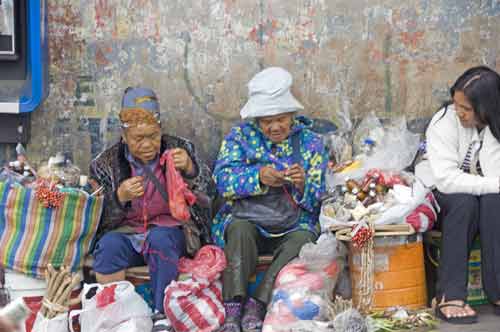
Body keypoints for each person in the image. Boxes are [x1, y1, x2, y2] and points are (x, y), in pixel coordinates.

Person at [213, 67, 327, 332]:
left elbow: (319, 196)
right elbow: (221, 180)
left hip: (293, 221)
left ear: (292, 116)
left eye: (281, 119)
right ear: (256, 119)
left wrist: (301, 184)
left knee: (303, 239)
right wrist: (258, 177)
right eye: (266, 121)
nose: (275, 127)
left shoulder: (311, 143)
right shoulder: (240, 137)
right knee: (239, 231)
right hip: (248, 216)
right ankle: (233, 306)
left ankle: (259, 303)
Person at [89, 87, 213, 331]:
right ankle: (113, 317)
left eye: (153, 136)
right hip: (128, 234)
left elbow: (210, 195)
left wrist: (190, 169)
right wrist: (119, 197)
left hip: (171, 233)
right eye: (138, 138)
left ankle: (161, 314)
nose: (147, 144)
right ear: (124, 136)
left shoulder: (180, 149)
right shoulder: (105, 163)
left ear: (161, 131)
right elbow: (94, 219)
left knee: (160, 238)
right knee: (108, 247)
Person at [415, 66, 500, 324]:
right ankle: (450, 295)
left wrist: (488, 135)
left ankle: (497, 291)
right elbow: (447, 181)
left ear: (487, 108)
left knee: (494, 203)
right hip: (442, 195)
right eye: (456, 105)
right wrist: (493, 185)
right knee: (465, 203)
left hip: (484, 197)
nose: (459, 113)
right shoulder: (444, 121)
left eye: (467, 108)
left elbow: (495, 174)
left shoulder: (494, 125)